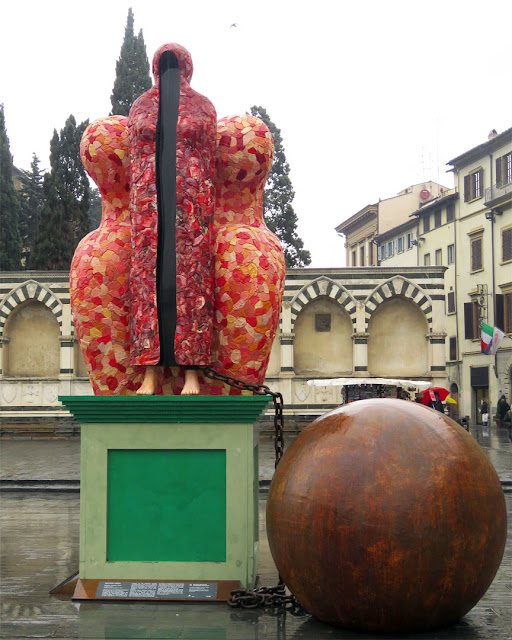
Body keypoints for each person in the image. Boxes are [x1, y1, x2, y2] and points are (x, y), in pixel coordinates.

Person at [128, 43, 217, 395]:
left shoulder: (203, 106)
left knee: (191, 287)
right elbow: (134, 154)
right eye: (164, 66)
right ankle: (150, 373)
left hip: (190, 206)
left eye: (175, 65)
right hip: (149, 206)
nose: (170, 71)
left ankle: (191, 372)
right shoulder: (140, 106)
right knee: (150, 288)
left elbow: (209, 157)